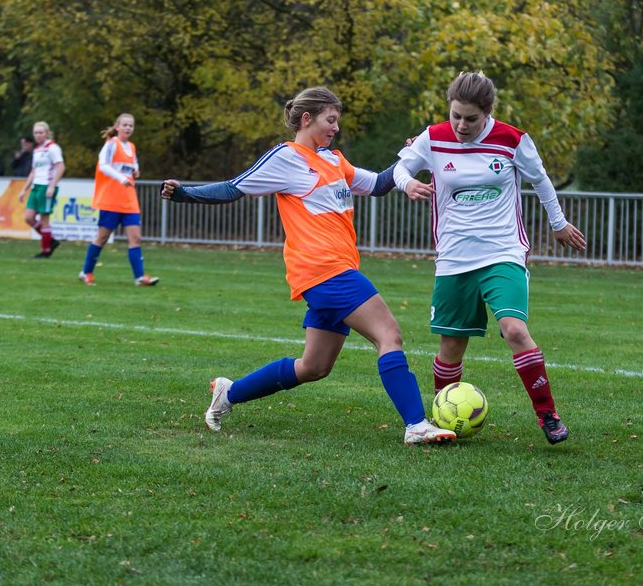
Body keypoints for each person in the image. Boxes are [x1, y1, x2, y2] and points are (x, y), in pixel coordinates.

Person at [161, 86, 456, 446]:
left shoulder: (334, 160)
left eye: (337, 121)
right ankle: (416, 425)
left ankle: (229, 393)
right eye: (330, 120)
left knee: (314, 367)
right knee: (389, 335)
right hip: (324, 270)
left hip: (334, 270)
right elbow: (233, 187)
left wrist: (414, 156)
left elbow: (379, 184)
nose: (335, 128)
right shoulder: (287, 158)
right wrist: (185, 192)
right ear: (307, 119)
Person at [389, 71, 588, 444]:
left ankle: (548, 415)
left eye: (471, 118)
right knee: (451, 347)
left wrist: (558, 223)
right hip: (453, 258)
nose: (462, 125)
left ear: (488, 112)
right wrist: (408, 182)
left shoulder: (511, 140)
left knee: (514, 329)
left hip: (503, 251)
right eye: (456, 116)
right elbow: (401, 166)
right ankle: (442, 419)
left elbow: (541, 180)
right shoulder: (433, 138)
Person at [80, 113, 158, 287]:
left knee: (135, 238)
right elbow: (104, 165)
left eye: (131, 125)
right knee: (102, 237)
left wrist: (135, 171)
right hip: (112, 200)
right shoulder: (111, 144)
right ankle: (86, 272)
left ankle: (140, 277)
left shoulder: (131, 146)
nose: (128, 128)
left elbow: (133, 165)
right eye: (125, 125)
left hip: (129, 201)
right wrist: (121, 178)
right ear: (117, 126)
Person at [17, 121, 65, 258]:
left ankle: (46, 251)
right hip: (36, 186)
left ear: (47, 133)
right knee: (29, 217)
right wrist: (24, 189)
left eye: (41, 132)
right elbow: (33, 171)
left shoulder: (53, 148)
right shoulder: (37, 150)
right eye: (36, 133)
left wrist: (52, 186)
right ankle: (51, 240)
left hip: (46, 186)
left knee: (44, 220)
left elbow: (61, 167)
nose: (38, 135)